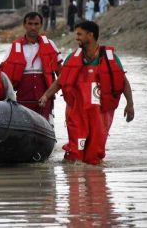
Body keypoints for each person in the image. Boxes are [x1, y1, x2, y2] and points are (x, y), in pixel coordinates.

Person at [39, 21, 134, 165]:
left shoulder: (110, 58)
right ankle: (74, 177)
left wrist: (130, 105)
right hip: (77, 112)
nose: (76, 38)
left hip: (100, 113)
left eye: (79, 34)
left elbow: (124, 82)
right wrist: (46, 96)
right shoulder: (73, 57)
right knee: (76, 153)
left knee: (94, 155)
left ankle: (95, 181)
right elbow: (60, 81)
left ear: (91, 35)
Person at [0, 12, 62, 121]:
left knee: (47, 126)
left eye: (36, 24)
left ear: (41, 25)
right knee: (24, 128)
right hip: (23, 97)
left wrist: (53, 94)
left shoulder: (50, 44)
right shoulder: (13, 47)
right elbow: (2, 76)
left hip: (45, 95)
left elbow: (62, 74)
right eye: (30, 23)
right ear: (24, 25)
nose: (33, 27)